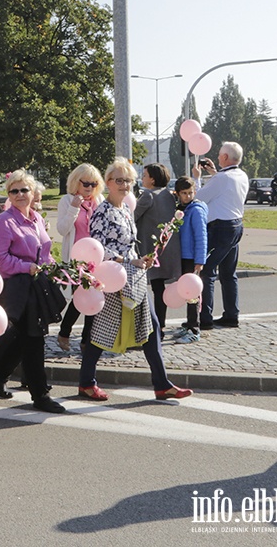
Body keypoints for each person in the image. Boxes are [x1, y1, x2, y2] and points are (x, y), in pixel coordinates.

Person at [79, 158, 193, 402]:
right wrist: (128, 261)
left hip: (134, 277)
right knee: (102, 331)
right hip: (113, 279)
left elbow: (130, 243)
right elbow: (97, 249)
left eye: (128, 180)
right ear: (107, 182)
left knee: (150, 329)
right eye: (119, 180)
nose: (124, 185)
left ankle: (162, 384)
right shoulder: (103, 211)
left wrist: (141, 258)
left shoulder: (125, 209)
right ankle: (86, 382)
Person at [0, 170, 66, 413]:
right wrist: (26, 267)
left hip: (37, 282)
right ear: (8, 194)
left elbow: (45, 250)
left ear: (33, 193)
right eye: (14, 191)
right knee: (34, 339)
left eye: (24, 190)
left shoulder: (36, 218)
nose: (19, 194)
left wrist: (52, 268)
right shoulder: (4, 221)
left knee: (25, 336)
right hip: (17, 286)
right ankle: (40, 395)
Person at [192, 142, 250, 330]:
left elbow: (199, 197)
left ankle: (205, 317)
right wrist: (214, 173)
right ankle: (231, 314)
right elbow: (226, 187)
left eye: (219, 155)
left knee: (207, 270)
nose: (217, 157)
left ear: (225, 157)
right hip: (236, 225)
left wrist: (197, 178)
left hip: (220, 228)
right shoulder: (241, 175)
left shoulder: (222, 178)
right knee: (228, 273)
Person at [55, 164, 105, 351]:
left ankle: (86, 340)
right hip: (76, 258)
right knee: (79, 298)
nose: (89, 187)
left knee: (94, 297)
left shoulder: (98, 200)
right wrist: (74, 209)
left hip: (96, 258)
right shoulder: (67, 201)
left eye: (93, 184)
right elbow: (62, 229)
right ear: (76, 182)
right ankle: (64, 332)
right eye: (86, 183)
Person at [134, 163, 180, 330]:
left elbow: (133, 217)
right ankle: (160, 324)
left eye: (145, 175)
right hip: (165, 248)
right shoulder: (169, 195)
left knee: (147, 289)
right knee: (159, 289)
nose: (142, 178)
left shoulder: (148, 196)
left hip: (148, 248)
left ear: (152, 179)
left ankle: (149, 326)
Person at [171, 177, 208, 344]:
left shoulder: (196, 210)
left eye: (190, 193)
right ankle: (188, 324)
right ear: (178, 194)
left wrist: (199, 261)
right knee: (187, 292)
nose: (187, 196)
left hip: (193, 257)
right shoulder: (181, 208)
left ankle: (194, 328)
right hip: (184, 256)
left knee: (193, 294)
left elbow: (201, 237)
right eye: (184, 193)